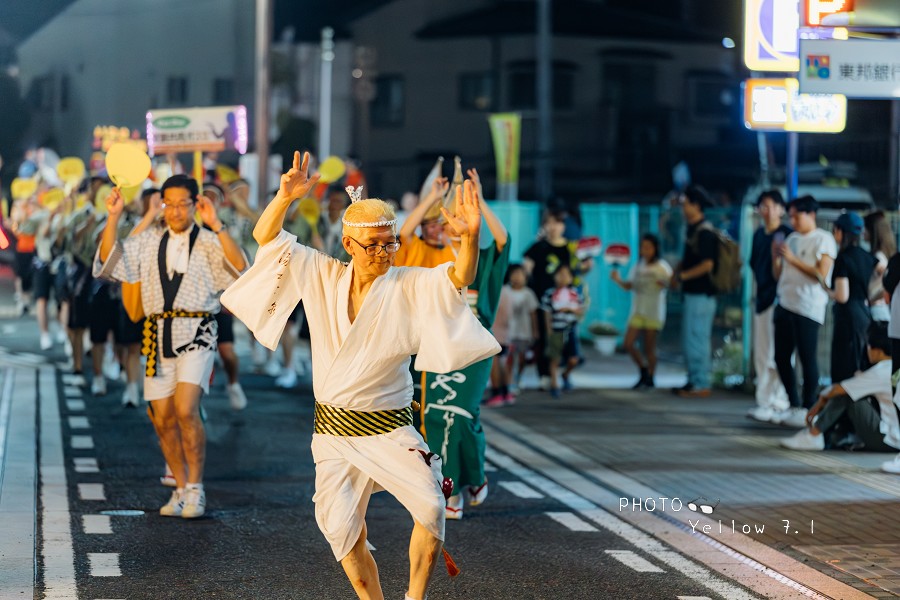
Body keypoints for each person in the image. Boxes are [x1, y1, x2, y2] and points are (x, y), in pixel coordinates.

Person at [222, 151, 499, 600]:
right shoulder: (321, 273)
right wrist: (285, 196)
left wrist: (469, 239)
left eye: (390, 244)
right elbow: (265, 236)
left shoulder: (407, 282)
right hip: (332, 431)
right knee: (340, 529)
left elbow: (459, 279)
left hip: (390, 425)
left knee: (431, 506)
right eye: (374, 246)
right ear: (349, 245)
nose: (385, 254)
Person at [95, 174, 247, 519]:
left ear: (197, 204)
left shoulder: (210, 240)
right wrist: (114, 216)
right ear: (160, 204)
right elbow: (108, 261)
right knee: (161, 417)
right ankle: (179, 488)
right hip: (157, 333)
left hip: (198, 332)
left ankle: (196, 488)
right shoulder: (148, 240)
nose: (176, 210)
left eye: (183, 203)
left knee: (185, 409)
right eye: (170, 203)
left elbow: (240, 268)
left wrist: (217, 225)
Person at [782, 321, 899, 453]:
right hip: (894, 437)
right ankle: (826, 435)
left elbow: (839, 389)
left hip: (888, 439)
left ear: (877, 350)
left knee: (846, 395)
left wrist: (819, 404)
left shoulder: (880, 371)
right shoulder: (894, 368)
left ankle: (813, 435)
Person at [772, 195, 837, 428]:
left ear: (811, 214)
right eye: (790, 216)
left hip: (808, 307)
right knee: (781, 356)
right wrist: (776, 258)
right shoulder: (791, 237)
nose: (793, 220)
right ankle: (794, 403)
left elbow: (822, 273)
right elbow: (779, 274)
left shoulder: (824, 239)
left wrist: (792, 259)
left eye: (796, 215)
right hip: (785, 302)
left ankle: (810, 408)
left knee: (807, 358)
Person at [523, 209, 592, 390]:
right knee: (545, 338)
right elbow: (526, 268)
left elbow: (579, 271)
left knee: (569, 338)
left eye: (557, 223)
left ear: (564, 226)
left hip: (567, 303)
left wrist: (586, 267)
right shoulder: (537, 247)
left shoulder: (571, 248)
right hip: (544, 302)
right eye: (549, 223)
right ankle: (545, 375)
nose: (552, 227)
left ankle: (564, 371)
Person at [201, 183, 249, 410]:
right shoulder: (191, 229)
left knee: (227, 351)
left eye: (214, 198)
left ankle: (233, 383)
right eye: (204, 197)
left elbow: (238, 261)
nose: (208, 202)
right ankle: (194, 402)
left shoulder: (227, 228)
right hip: (195, 304)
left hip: (220, 300)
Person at [747, 190, 792, 422]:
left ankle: (779, 399)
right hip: (763, 298)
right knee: (763, 354)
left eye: (770, 206)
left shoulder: (786, 234)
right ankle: (764, 400)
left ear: (781, 209)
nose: (765, 211)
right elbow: (754, 265)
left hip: (781, 300)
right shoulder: (757, 235)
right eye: (762, 207)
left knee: (779, 354)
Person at [672, 185, 717, 398]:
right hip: (693, 294)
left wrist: (683, 276)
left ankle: (701, 383)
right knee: (690, 339)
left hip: (702, 294)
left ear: (696, 205)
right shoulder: (692, 229)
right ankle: (693, 380)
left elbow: (708, 265)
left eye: (685, 204)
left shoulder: (705, 232)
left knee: (697, 339)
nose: (682, 207)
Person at [611, 233, 672, 389]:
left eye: (648, 247)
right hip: (638, 310)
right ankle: (643, 369)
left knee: (649, 347)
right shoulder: (638, 266)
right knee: (628, 343)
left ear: (655, 248)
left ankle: (651, 376)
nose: (644, 250)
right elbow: (629, 285)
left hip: (654, 311)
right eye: (642, 247)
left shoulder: (662, 267)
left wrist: (665, 283)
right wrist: (617, 280)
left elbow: (672, 283)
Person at [826, 212, 876, 383]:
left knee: (844, 367)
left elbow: (842, 296)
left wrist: (826, 289)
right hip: (865, 315)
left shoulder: (843, 258)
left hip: (847, 318)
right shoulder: (869, 257)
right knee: (859, 364)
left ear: (840, 232)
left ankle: (842, 408)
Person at [489, 263, 539, 405]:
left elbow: (532, 313)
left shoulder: (513, 292)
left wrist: (535, 332)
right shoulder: (505, 290)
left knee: (506, 362)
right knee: (507, 362)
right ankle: (507, 391)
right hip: (506, 334)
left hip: (508, 334)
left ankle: (502, 391)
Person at [541, 264, 585, 398]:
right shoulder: (549, 293)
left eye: (566, 274)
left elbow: (581, 310)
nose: (563, 277)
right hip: (556, 329)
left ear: (571, 278)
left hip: (570, 329)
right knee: (555, 357)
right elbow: (546, 314)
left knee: (573, 359)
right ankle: (555, 384)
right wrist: (548, 331)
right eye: (560, 274)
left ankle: (566, 374)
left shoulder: (576, 293)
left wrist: (569, 309)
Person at [864, 211, 895, 324]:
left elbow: (888, 284)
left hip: (876, 311)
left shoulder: (879, 257)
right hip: (878, 310)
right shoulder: (882, 255)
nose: (863, 232)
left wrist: (872, 300)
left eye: (865, 228)